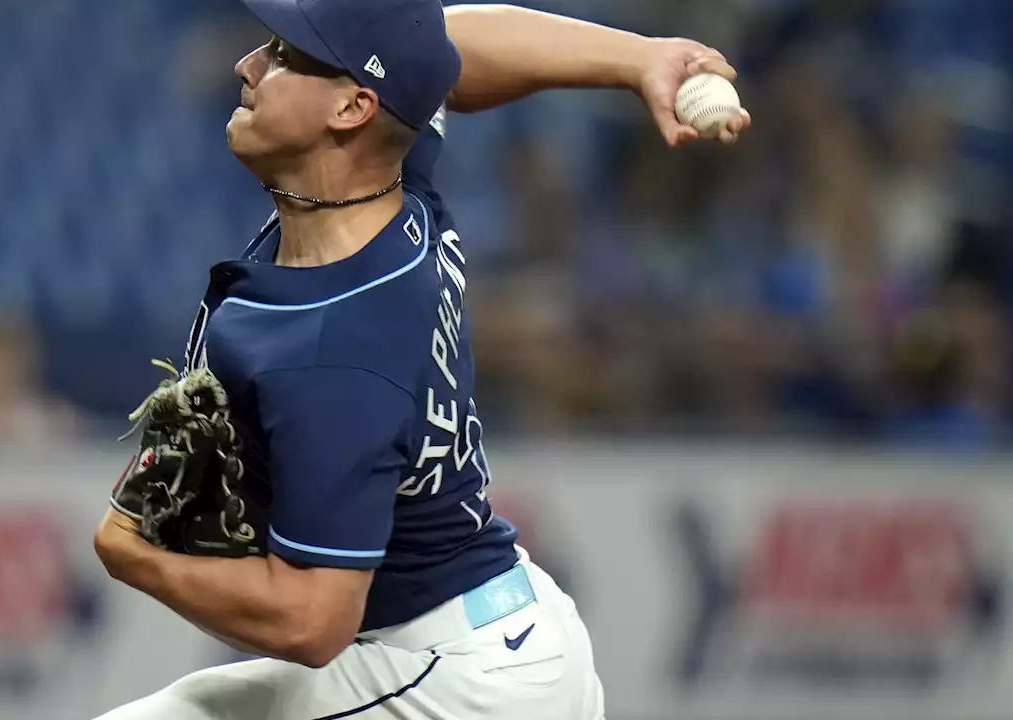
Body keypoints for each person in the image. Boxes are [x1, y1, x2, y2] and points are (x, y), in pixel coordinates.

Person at [91, 2, 750, 718]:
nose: (247, 66)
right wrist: (636, 60)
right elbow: (440, 47)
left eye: (282, 56)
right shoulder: (390, 186)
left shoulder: (333, 349)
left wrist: (137, 554)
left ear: (351, 107)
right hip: (480, 634)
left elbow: (312, 622)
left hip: (460, 687)